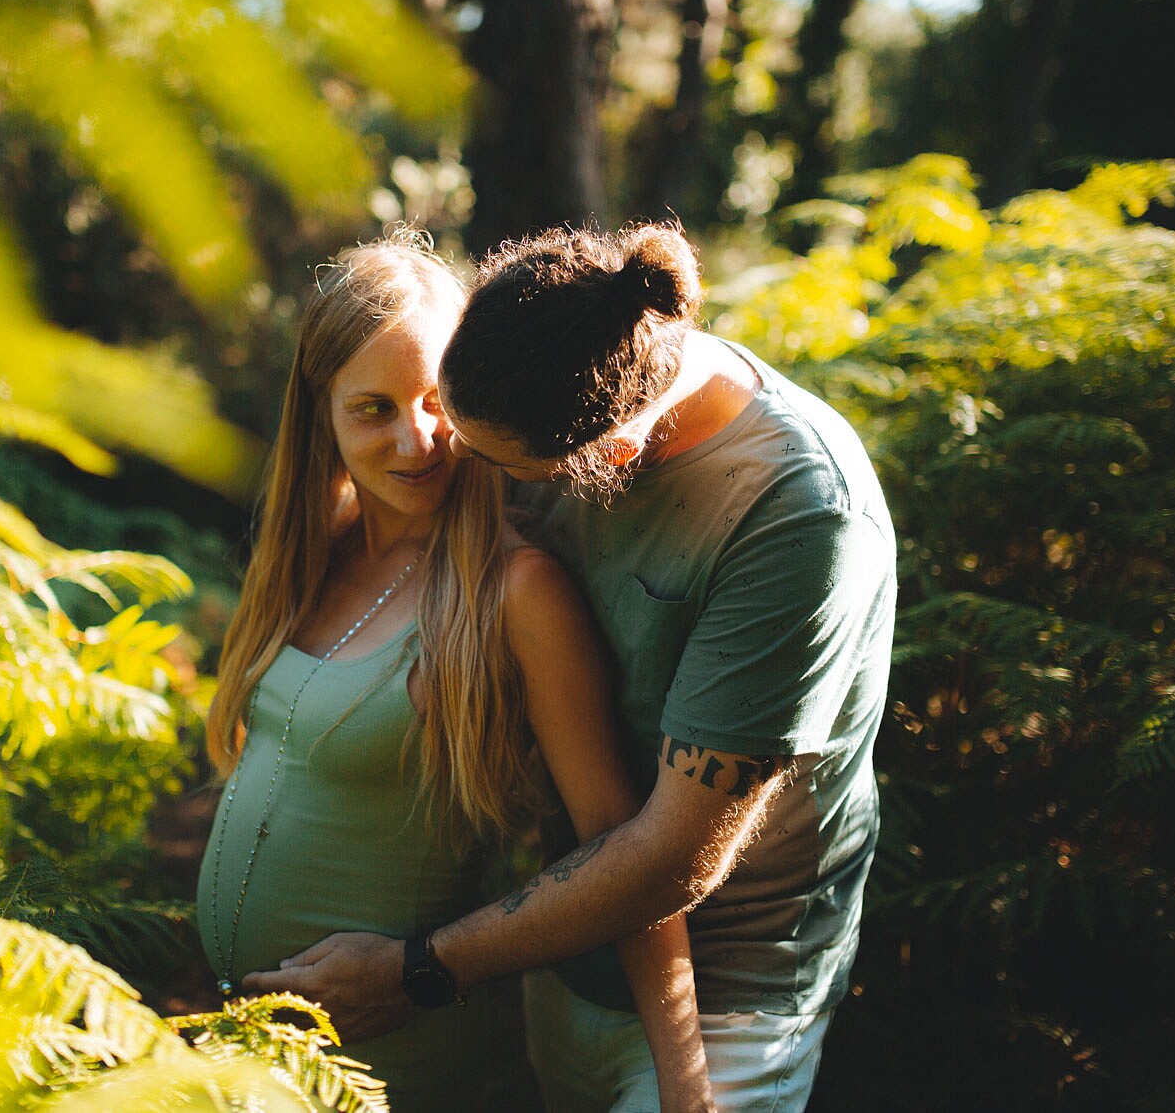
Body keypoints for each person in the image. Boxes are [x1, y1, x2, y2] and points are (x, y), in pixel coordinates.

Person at [245, 223, 896, 1113]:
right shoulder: (574, 341)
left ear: (607, 462)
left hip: (730, 991)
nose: (446, 459)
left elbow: (671, 855)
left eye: (501, 467)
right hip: (560, 953)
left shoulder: (797, 515)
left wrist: (421, 970)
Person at [196, 234, 712, 1111]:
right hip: (246, 1052)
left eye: (438, 400)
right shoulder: (308, 556)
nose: (418, 439)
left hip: (391, 1053)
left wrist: (684, 1082)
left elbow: (619, 848)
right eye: (373, 409)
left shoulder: (516, 591)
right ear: (318, 412)